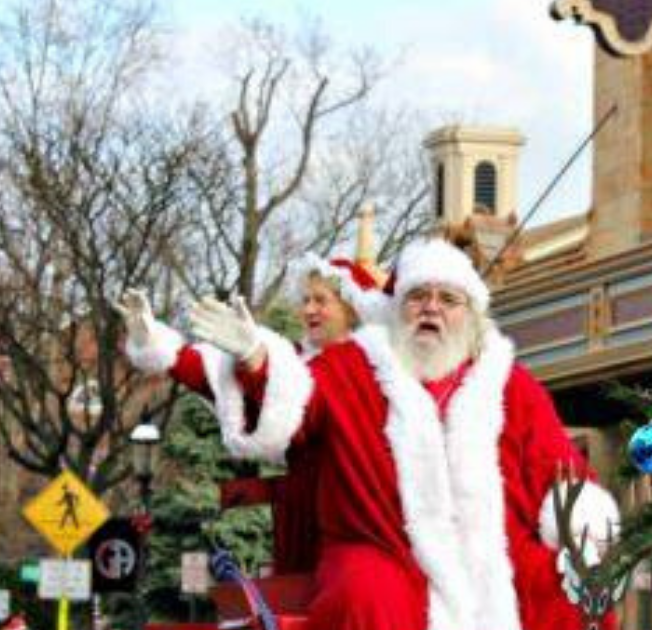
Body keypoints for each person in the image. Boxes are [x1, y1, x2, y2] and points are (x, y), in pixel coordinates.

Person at [121, 239, 619, 630]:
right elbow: (296, 405)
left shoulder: (509, 383)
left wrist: (584, 532)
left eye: (448, 299)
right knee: (366, 593)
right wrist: (254, 356)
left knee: (569, 583)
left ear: (470, 315)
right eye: (419, 297)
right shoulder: (356, 365)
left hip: (491, 551)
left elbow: (561, 468)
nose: (431, 309)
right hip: (383, 549)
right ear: (397, 308)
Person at [116, 254, 381, 574]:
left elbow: (303, 401)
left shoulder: (370, 369)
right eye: (306, 299)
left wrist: (257, 360)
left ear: (350, 308)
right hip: (299, 519)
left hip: (353, 521)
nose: (308, 309)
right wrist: (152, 339)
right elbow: (215, 375)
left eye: (321, 300)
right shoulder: (293, 359)